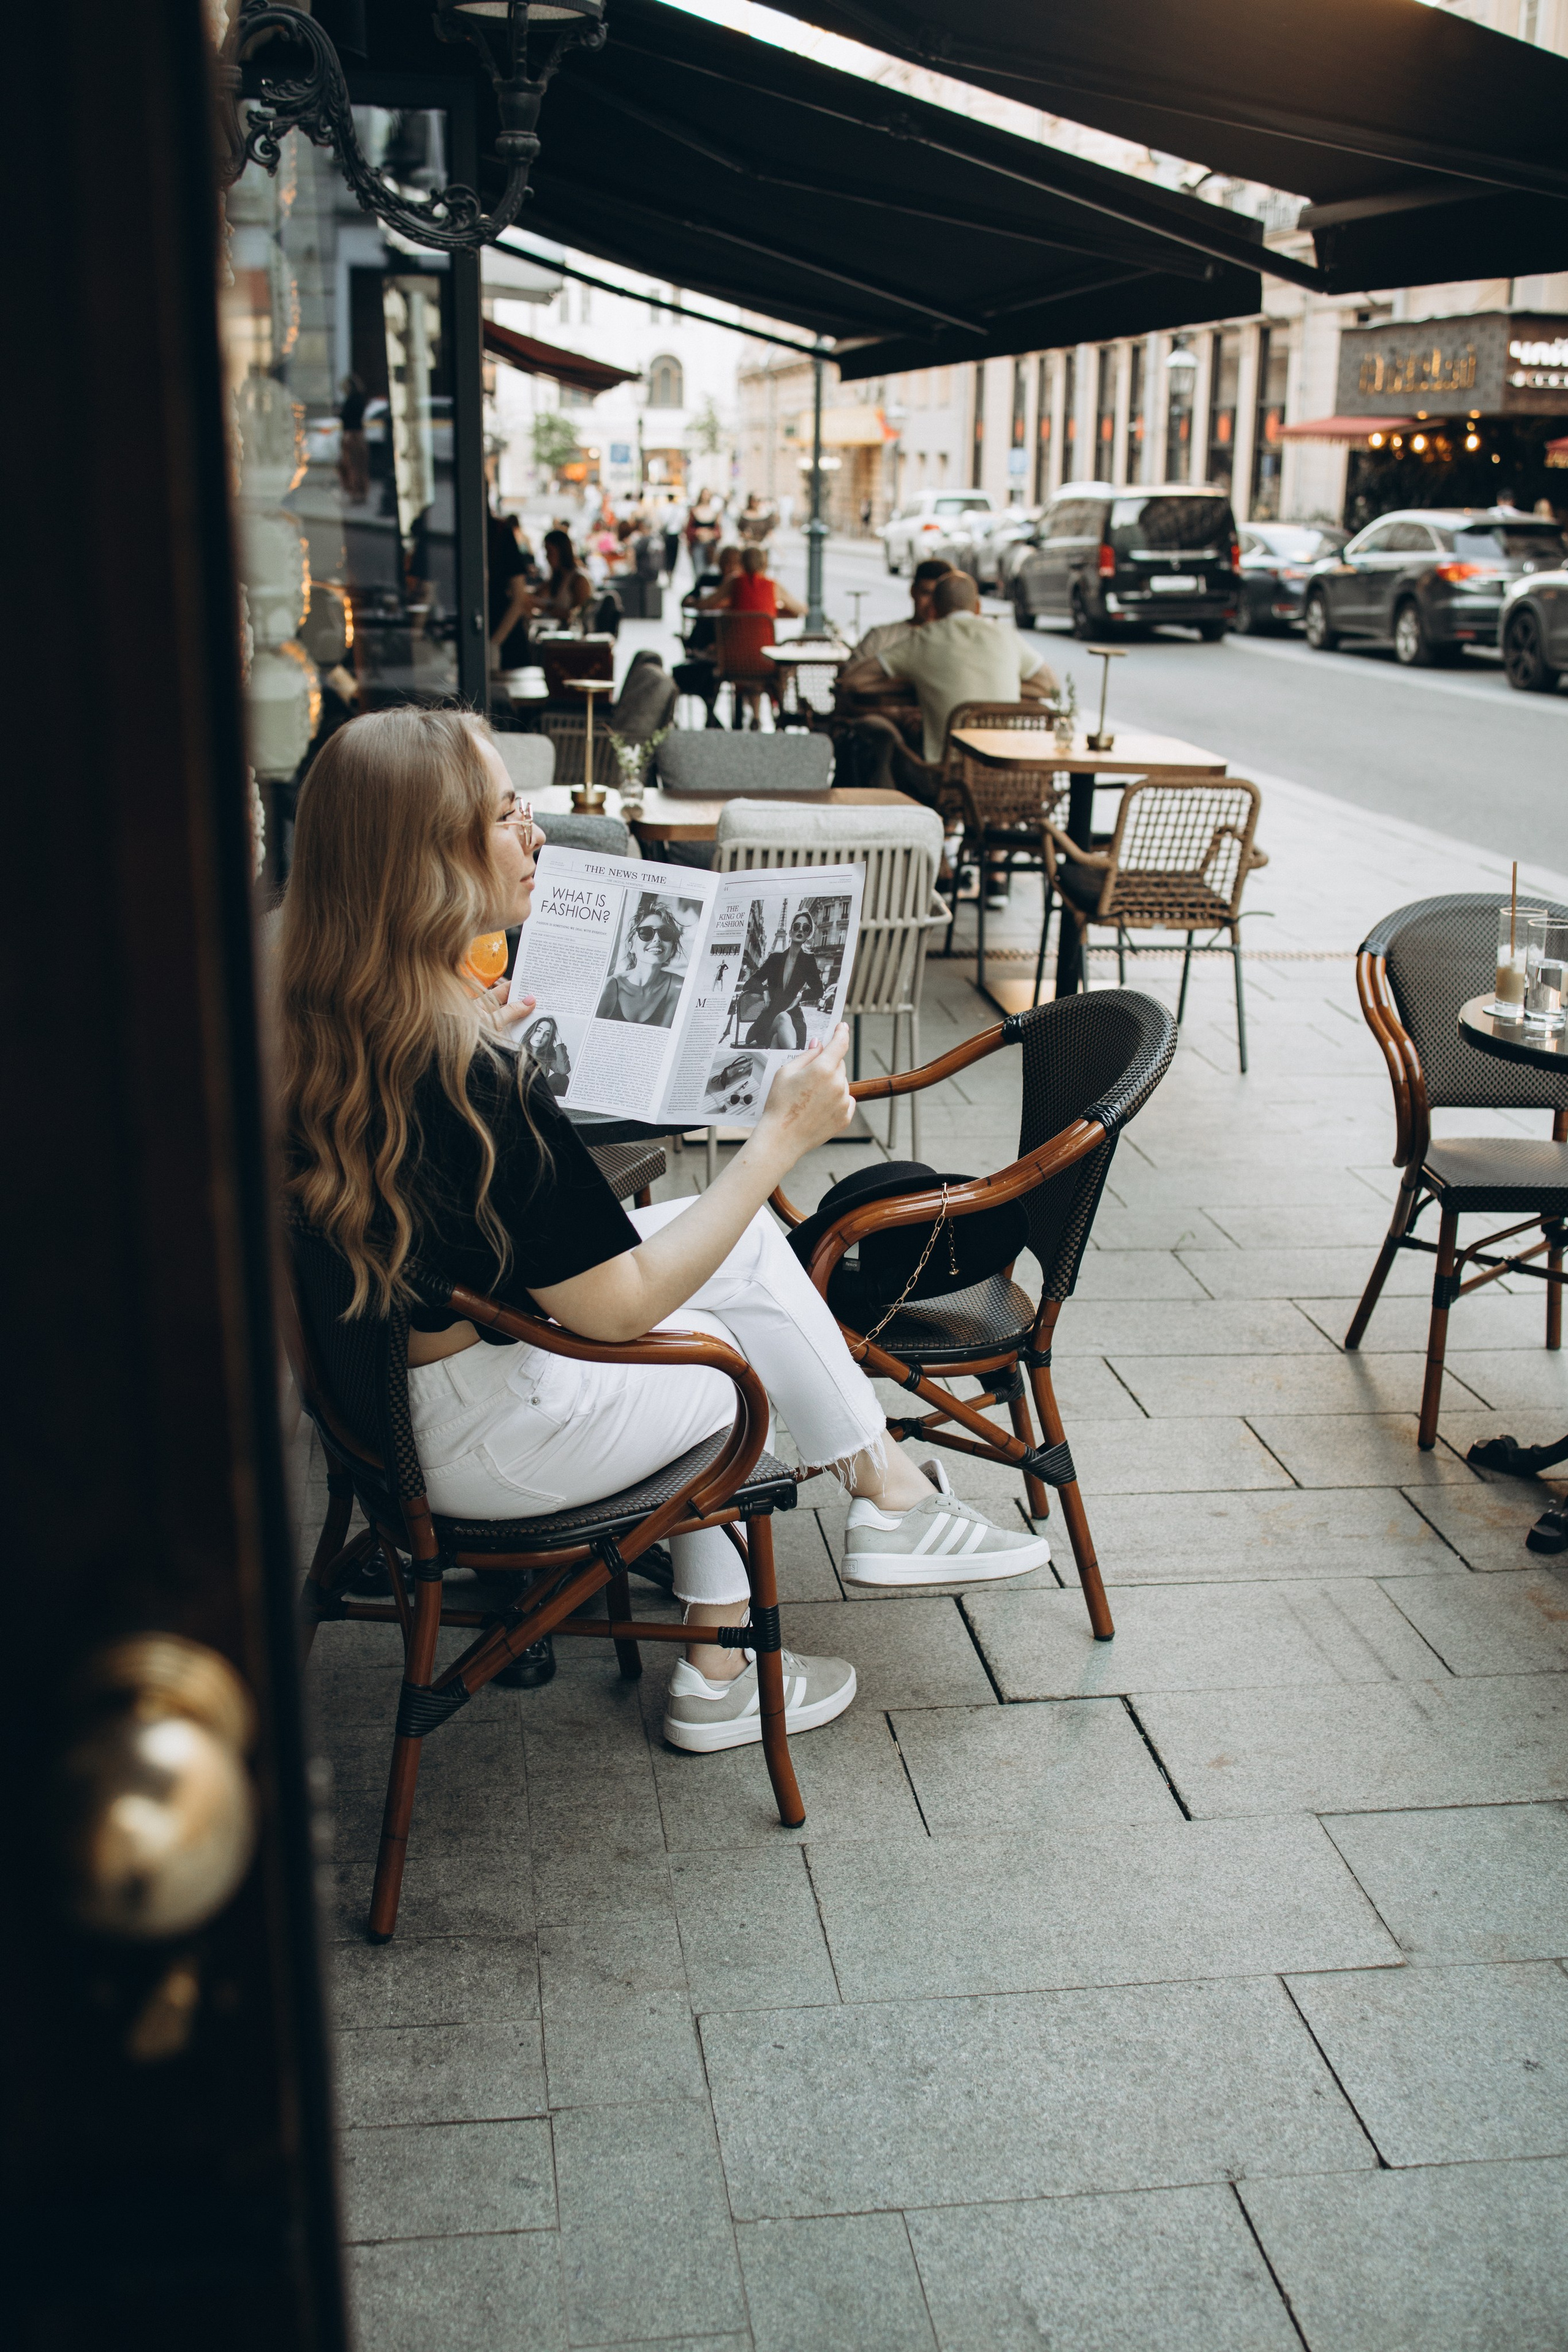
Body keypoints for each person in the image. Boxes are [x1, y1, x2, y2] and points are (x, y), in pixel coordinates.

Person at [277, 710, 1048, 1754]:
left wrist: (489, 1041)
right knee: (743, 1359)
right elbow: (617, 1306)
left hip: (389, 1409)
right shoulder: (466, 1071)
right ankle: (786, 1600)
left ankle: (856, 1522)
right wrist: (776, 1141)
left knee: (728, 1254)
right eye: (509, 813)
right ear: (429, 858)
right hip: (479, 1440)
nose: (535, 834)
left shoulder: (336, 1017)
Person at [737, 908, 828, 1049]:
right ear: (790, 931)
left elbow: (819, 991)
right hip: (768, 1022)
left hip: (793, 1020)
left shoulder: (808, 961)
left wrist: (801, 996)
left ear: (808, 934)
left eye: (806, 928)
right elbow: (750, 983)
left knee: (776, 1040)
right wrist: (765, 991)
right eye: (797, 927)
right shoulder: (775, 958)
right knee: (782, 1019)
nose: (800, 931)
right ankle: (795, 1060)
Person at [595, 903, 687, 1028]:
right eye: (646, 933)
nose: (657, 939)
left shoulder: (679, 988)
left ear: (672, 948)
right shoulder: (610, 986)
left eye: (666, 933)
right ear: (630, 946)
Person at [851, 557, 954, 664]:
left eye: (939, 596)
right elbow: (848, 677)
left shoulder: (957, 642)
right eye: (926, 593)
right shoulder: (880, 638)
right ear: (913, 591)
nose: (932, 603)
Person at [487, 502, 533, 670]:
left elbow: (519, 598)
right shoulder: (501, 531)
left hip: (504, 636)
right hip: (502, 634)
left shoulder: (500, 531)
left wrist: (494, 644)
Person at [529, 528, 594, 630]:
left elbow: (578, 615)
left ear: (561, 552)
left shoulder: (578, 579)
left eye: (550, 552)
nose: (547, 557)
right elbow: (535, 594)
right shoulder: (557, 578)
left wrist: (543, 606)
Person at [519, 1012, 571, 1096]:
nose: (541, 1036)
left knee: (561, 1078)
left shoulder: (547, 1057)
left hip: (540, 1095)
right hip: (521, 1095)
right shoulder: (516, 1054)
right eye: (539, 1031)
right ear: (531, 1031)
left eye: (547, 1034)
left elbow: (563, 1071)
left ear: (550, 1038)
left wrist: (558, 1041)